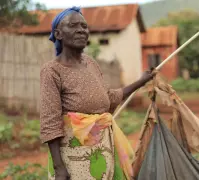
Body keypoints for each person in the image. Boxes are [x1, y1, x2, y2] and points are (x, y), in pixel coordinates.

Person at [40, 7, 156, 180]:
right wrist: (59, 168)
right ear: (58, 34)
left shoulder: (90, 63)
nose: (81, 29)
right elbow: (50, 122)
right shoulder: (52, 71)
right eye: (73, 25)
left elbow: (108, 98)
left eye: (84, 26)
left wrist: (141, 81)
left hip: (101, 154)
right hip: (73, 158)